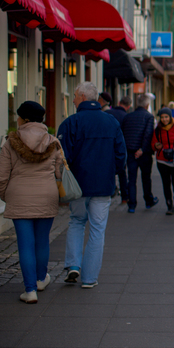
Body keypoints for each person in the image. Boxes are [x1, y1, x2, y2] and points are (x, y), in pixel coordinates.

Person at [56, 82, 127, 289]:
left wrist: (63, 180)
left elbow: (62, 157)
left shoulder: (71, 123)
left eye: (75, 96)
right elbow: (121, 155)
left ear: (83, 97)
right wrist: (110, 172)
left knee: (77, 221)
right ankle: (89, 278)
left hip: (77, 185)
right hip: (102, 185)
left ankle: (73, 265)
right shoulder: (111, 122)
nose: (73, 100)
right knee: (97, 229)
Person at [0, 101, 62, 303]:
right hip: (47, 196)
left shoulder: (11, 142)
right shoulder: (53, 142)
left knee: (25, 244)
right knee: (42, 241)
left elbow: (0, 176)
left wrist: (7, 195)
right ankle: (41, 279)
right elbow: (59, 174)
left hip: (19, 196)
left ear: (24, 119)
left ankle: (30, 290)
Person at [120, 93, 157, 212]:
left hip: (130, 152)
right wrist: (142, 149)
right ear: (147, 105)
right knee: (146, 178)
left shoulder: (128, 116)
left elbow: (123, 133)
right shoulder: (149, 117)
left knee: (131, 179)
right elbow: (148, 134)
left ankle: (131, 205)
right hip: (144, 153)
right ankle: (148, 201)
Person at [151, 108, 174, 215]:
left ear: (170, 117)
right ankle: (169, 205)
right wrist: (156, 146)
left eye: (166, 117)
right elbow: (153, 144)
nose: (164, 119)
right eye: (162, 117)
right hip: (162, 161)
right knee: (166, 184)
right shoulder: (157, 129)